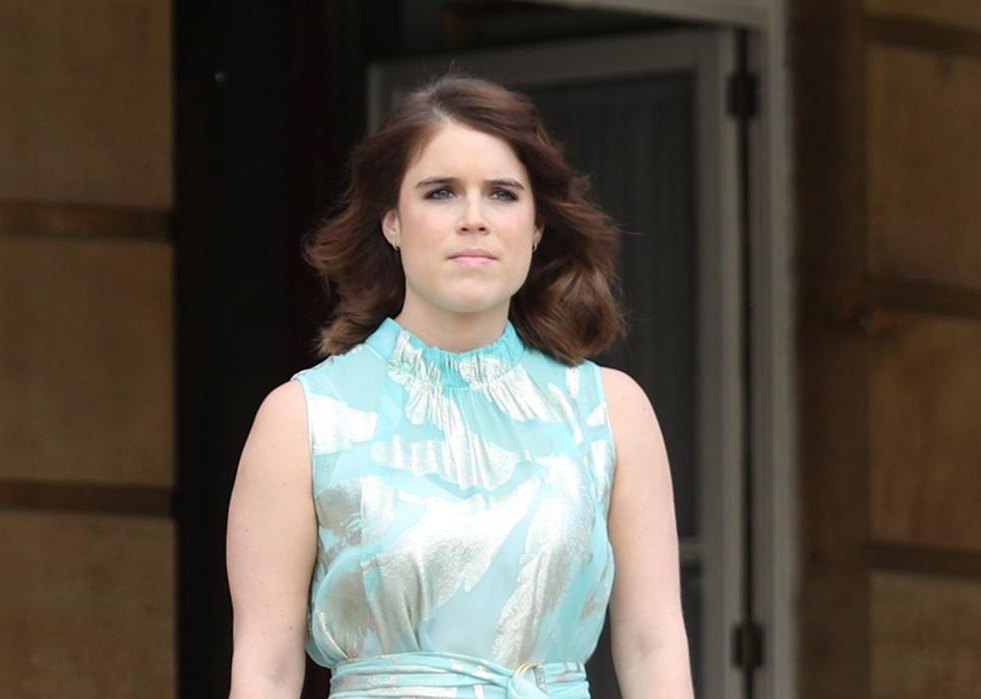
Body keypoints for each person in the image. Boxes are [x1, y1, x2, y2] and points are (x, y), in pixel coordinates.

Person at [225, 75, 693, 698]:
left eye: (502, 194)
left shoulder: (610, 410)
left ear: (536, 227)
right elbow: (266, 667)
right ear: (392, 221)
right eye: (441, 192)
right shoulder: (305, 418)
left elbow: (652, 644)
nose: (473, 220)